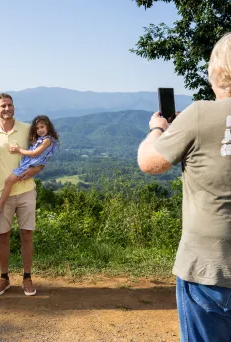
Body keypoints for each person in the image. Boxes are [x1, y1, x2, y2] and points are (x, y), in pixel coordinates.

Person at [137, 32, 231, 342]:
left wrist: (159, 130)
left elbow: (150, 163)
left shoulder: (200, 114)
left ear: (216, 72)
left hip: (208, 267)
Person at [0, 93, 44, 296]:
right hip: (1, 194)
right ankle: (4, 278)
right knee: (2, 236)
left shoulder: (27, 129)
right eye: (3, 106)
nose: (7, 108)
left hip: (26, 191)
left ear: (14, 107)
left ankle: (27, 278)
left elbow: (42, 156)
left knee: (27, 234)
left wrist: (32, 171)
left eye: (10, 105)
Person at [0, 115, 58, 213]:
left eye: (42, 127)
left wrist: (18, 150)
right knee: (9, 182)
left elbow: (35, 153)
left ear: (48, 127)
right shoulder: (43, 139)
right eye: (37, 128)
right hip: (29, 165)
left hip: (28, 166)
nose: (39, 130)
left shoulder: (47, 140)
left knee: (8, 181)